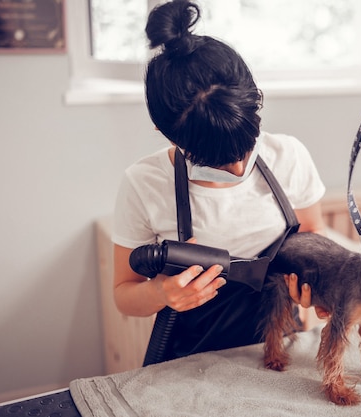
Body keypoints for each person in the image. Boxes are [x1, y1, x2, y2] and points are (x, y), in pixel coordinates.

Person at [112, 0, 326, 362]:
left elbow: (311, 242)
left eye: (245, 148)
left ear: (254, 101)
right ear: (164, 134)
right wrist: (163, 293)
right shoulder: (143, 184)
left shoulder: (289, 156)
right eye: (217, 161)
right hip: (190, 361)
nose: (239, 169)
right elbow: (124, 293)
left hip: (280, 349)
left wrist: (314, 286)